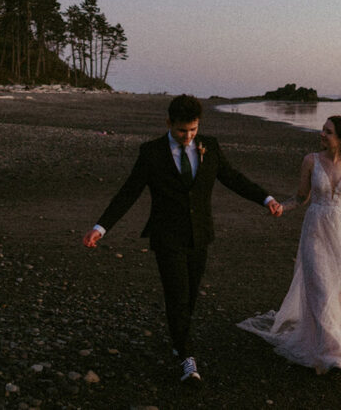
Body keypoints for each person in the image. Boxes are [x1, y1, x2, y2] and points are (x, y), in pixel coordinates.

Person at [83, 94, 283, 383]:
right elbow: (129, 192)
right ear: (169, 123)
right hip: (166, 235)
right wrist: (100, 228)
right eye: (181, 131)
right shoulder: (151, 153)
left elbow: (232, 177)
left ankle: (179, 339)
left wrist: (266, 199)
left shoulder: (209, 147)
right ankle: (187, 357)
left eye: (193, 130)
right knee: (177, 295)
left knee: (189, 296)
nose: (188, 137)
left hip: (200, 234)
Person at [237, 115, 341, 375]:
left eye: (328, 131)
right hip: (315, 230)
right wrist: (282, 207)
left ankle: (337, 344)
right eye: (323, 130)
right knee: (321, 287)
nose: (322, 134)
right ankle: (333, 353)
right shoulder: (311, 161)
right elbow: (301, 197)